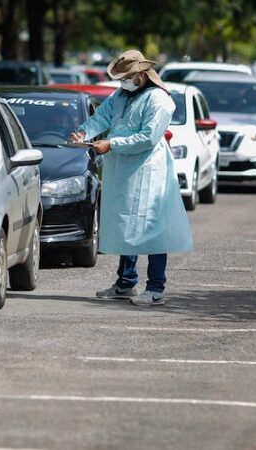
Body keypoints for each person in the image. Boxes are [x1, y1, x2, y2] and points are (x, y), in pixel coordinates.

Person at [69, 50, 193, 306]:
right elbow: (102, 117)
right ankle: (126, 282)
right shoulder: (122, 95)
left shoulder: (159, 100)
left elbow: (148, 137)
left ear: (142, 74)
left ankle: (156, 286)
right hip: (123, 169)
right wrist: (83, 132)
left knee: (152, 227)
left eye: (126, 77)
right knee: (127, 223)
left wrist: (112, 144)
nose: (122, 81)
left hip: (149, 169)